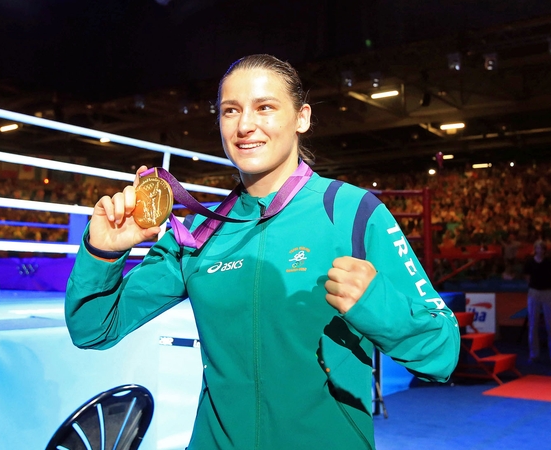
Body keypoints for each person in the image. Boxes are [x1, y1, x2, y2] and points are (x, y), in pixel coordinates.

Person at [64, 54, 459, 450]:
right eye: (230, 110)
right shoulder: (198, 233)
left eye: (265, 107)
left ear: (302, 118)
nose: (244, 126)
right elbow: (93, 329)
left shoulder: (353, 213)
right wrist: (102, 253)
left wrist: (376, 304)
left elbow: (442, 354)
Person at [523, 240, 551, 365]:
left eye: (542, 248)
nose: (540, 250)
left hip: (547, 292)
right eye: (538, 248)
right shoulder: (529, 262)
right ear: (535, 249)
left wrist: (549, 287)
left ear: (544, 250)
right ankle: (533, 354)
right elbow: (527, 278)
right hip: (534, 292)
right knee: (532, 324)